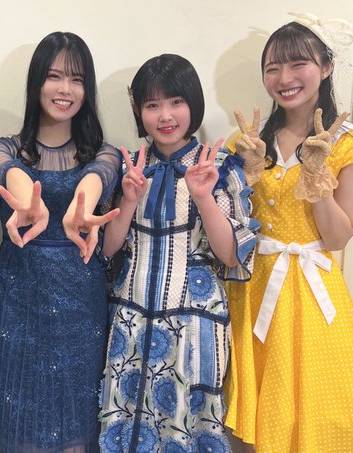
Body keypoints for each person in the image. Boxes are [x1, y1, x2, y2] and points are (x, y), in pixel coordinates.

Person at [225, 14, 353, 452]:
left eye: (297, 64)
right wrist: (244, 174)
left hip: (310, 291)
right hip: (253, 287)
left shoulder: (352, 144)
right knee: (253, 423)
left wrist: (317, 176)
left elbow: (338, 238)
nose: (284, 79)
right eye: (272, 68)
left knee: (318, 415)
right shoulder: (247, 141)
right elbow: (232, 223)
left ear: (326, 66)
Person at [98, 54, 259, 453]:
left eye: (176, 102)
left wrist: (203, 196)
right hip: (131, 318)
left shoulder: (219, 167)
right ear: (138, 111)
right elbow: (107, 249)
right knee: (127, 424)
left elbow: (232, 256)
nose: (165, 115)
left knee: (187, 427)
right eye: (152, 105)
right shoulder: (130, 166)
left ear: (193, 103)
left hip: (195, 324)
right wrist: (129, 200)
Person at [0, 31, 120, 452]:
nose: (65, 89)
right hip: (20, 298)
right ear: (37, 82)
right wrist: (30, 203)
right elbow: (10, 172)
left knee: (75, 420)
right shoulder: (1, 148)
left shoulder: (106, 154)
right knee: (19, 418)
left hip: (81, 301)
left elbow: (97, 178)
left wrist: (82, 203)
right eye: (54, 76)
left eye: (77, 79)